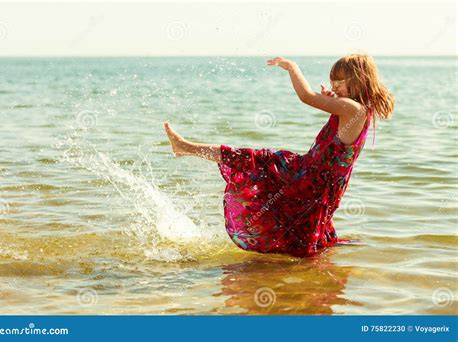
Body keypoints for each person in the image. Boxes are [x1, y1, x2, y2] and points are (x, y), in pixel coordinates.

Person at [164, 54, 395, 258]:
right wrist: (332, 100)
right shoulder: (357, 108)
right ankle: (309, 273)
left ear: (356, 80)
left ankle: (185, 147)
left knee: (251, 159)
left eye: (339, 81)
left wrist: (292, 67)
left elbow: (305, 96)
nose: (334, 85)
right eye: (332, 79)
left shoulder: (352, 109)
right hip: (318, 181)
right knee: (301, 228)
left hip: (310, 179)